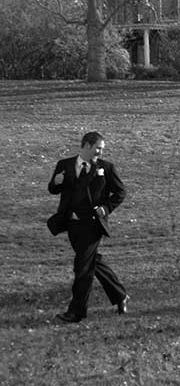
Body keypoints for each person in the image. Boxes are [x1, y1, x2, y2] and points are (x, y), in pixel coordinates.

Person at [48, 131, 129, 322]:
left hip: (93, 225)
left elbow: (120, 192)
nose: (100, 152)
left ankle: (77, 312)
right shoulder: (64, 165)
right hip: (72, 224)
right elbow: (53, 189)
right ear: (85, 146)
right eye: (97, 148)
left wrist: (106, 208)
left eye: (101, 149)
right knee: (93, 262)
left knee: (82, 268)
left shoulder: (106, 168)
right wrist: (55, 182)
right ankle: (120, 295)